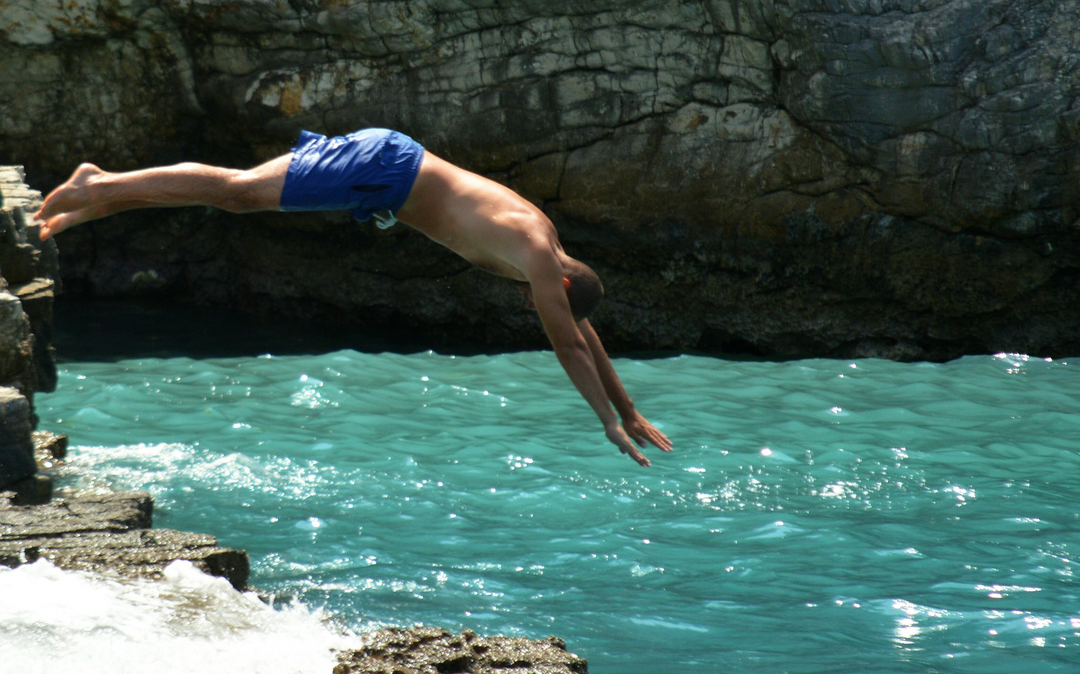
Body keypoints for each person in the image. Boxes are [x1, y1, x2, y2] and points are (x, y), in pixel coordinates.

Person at [34, 128, 673, 466]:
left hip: (386, 179)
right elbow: (567, 341)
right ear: (561, 284)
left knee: (236, 199)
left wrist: (629, 405)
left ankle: (99, 201)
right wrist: (607, 424)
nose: (546, 309)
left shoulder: (552, 254)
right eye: (553, 302)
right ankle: (100, 181)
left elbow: (580, 331)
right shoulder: (536, 254)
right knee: (238, 191)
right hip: (387, 169)